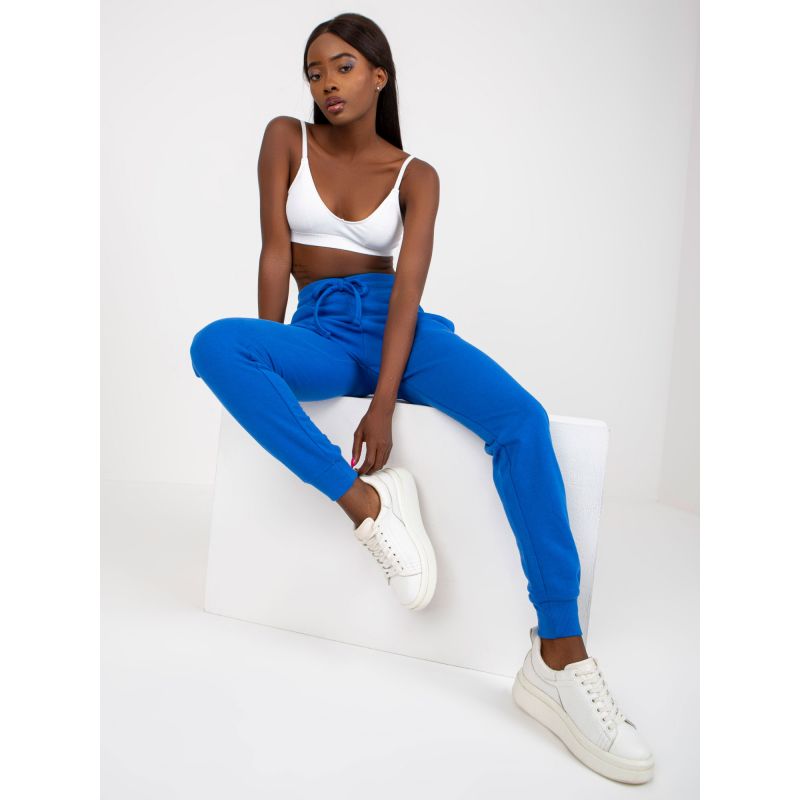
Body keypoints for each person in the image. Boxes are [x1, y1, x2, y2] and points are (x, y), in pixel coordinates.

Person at [189, 12, 654, 784]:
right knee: (216, 345)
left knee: (523, 421)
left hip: (404, 331)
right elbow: (274, 253)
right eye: (314, 71)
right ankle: (367, 506)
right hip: (322, 328)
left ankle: (559, 654)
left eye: (342, 66)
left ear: (379, 75)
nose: (326, 83)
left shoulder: (417, 175)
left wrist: (382, 405)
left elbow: (407, 294)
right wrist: (270, 358)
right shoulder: (285, 139)